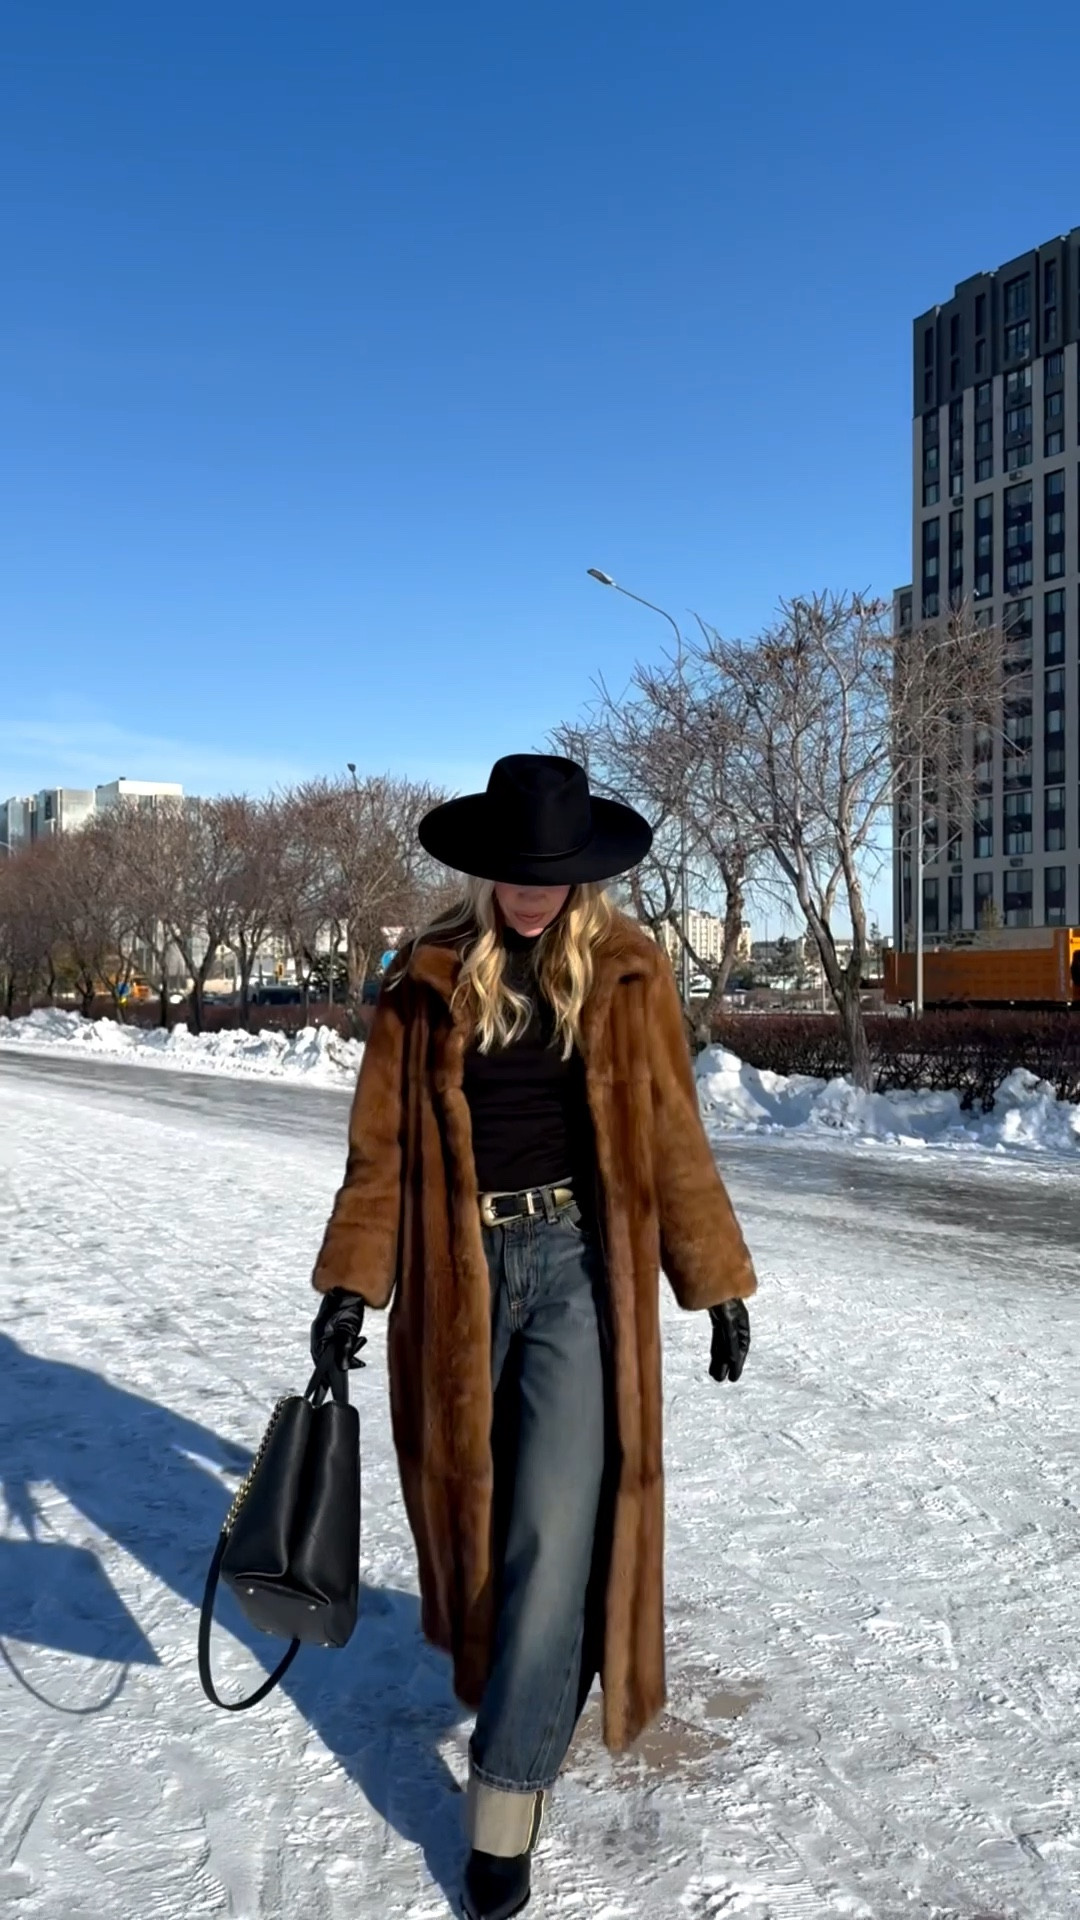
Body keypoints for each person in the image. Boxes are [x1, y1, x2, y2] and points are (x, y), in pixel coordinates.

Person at [309, 753, 756, 1920]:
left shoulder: (626, 974)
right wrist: (352, 1288)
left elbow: (669, 1135)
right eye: (515, 870)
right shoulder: (423, 978)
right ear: (484, 868)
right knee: (482, 1516)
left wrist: (713, 1282)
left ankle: (503, 1806)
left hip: (572, 1269)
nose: (531, 891)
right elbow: (381, 1154)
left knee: (558, 1526)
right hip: (455, 1275)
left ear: (583, 876)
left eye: (551, 873)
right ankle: (526, 1687)